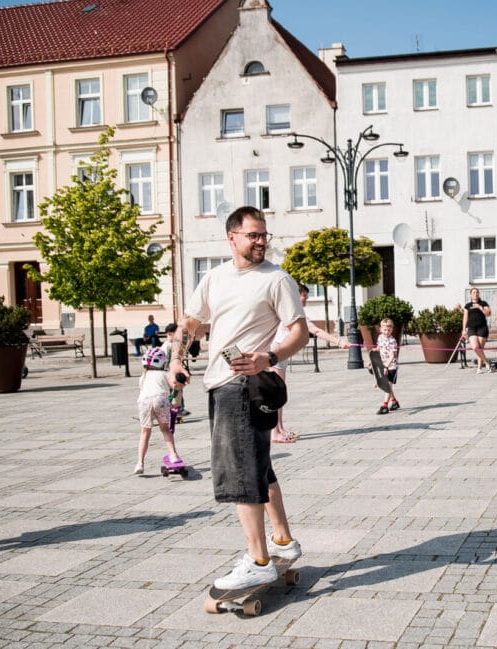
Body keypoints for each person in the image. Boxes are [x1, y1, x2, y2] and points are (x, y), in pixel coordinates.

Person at [167, 205, 308, 590]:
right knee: (259, 466)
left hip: (245, 385)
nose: (261, 241)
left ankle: (258, 560)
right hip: (219, 382)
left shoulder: (276, 279)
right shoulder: (215, 278)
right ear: (232, 238)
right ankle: (282, 540)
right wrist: (176, 360)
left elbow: (299, 331)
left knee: (240, 473)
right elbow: (191, 322)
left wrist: (270, 357)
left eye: (264, 235)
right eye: (253, 235)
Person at [270, 282, 348, 441]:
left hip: (280, 352)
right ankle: (274, 432)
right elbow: (316, 330)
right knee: (276, 393)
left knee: (279, 392)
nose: (306, 298)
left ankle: (280, 429)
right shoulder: (292, 313)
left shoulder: (293, 313)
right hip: (277, 351)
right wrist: (339, 342)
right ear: (295, 296)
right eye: (304, 295)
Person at [134, 346, 183, 474]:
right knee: (165, 429)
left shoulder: (143, 376)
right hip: (160, 400)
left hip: (144, 401)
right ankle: (173, 455)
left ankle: (140, 463)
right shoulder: (165, 374)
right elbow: (175, 386)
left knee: (145, 432)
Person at [462, 288, 492, 373]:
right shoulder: (467, 305)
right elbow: (465, 318)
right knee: (475, 347)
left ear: (479, 294)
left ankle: (479, 368)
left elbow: (488, 313)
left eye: (477, 292)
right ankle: (487, 363)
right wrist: (463, 330)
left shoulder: (483, 303)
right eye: (473, 292)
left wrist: (480, 308)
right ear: (471, 294)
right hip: (471, 328)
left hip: (482, 328)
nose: (475, 294)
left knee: (480, 348)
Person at [375, 318, 401, 414]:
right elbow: (378, 348)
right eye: (385, 330)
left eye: (389, 330)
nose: (386, 332)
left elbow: (392, 355)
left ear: (392, 330)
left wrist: (386, 366)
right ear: (380, 329)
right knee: (387, 386)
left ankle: (384, 406)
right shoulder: (380, 337)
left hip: (392, 366)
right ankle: (394, 402)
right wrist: (374, 352)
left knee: (388, 386)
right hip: (383, 365)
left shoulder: (392, 341)